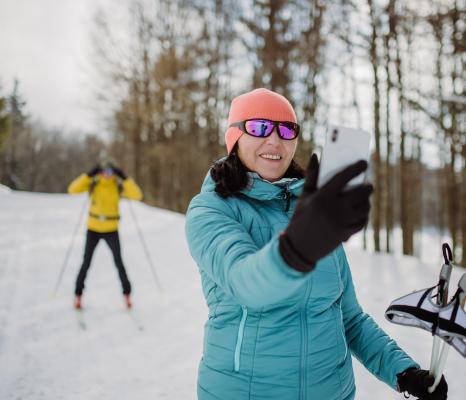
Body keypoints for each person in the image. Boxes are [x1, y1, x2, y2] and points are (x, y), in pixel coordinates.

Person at [185, 88, 448, 400]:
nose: (274, 140)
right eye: (258, 127)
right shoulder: (211, 209)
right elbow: (246, 283)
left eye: (286, 129)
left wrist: (404, 372)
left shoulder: (316, 213)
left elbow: (347, 317)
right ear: (235, 137)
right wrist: (298, 245)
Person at [67, 157, 142, 309]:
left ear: (115, 172)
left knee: (119, 263)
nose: (107, 174)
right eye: (104, 171)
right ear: (100, 172)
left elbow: (137, 195)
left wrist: (126, 179)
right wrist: (88, 175)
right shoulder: (94, 183)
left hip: (111, 230)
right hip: (93, 229)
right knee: (86, 263)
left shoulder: (118, 185)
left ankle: (127, 295)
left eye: (111, 171)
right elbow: (72, 189)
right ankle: (78, 295)